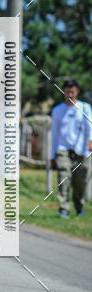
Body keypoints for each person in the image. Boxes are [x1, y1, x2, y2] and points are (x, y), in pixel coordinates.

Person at [50, 78, 92, 218]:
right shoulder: (57, 110)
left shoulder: (85, 108)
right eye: (67, 92)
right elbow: (54, 134)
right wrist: (52, 155)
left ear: (77, 92)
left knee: (81, 181)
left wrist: (91, 140)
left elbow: (90, 125)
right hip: (63, 150)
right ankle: (63, 208)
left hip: (81, 149)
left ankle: (79, 205)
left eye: (72, 92)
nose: (70, 95)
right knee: (64, 177)